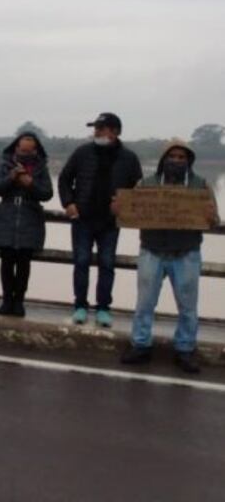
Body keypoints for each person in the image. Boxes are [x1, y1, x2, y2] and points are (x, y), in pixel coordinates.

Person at [118, 140, 219, 374]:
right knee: (144, 303)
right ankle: (140, 345)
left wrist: (211, 216)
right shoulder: (145, 184)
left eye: (181, 157)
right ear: (164, 160)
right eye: (172, 156)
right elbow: (129, 212)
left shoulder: (201, 185)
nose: (176, 161)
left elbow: (214, 222)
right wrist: (119, 209)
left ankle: (185, 348)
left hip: (187, 253)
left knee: (188, 306)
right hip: (152, 251)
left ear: (189, 161)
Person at [58, 112, 142, 327]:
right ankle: (80, 306)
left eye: (100, 128)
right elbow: (65, 179)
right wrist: (68, 203)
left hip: (110, 223)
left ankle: (104, 307)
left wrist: (124, 205)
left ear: (115, 132)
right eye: (95, 128)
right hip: (82, 219)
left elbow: (138, 190)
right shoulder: (82, 152)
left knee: (107, 264)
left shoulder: (129, 158)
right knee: (81, 262)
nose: (96, 132)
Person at [0, 132, 54, 317]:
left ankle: (19, 301)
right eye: (21, 149)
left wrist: (30, 183)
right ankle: (7, 299)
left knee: (24, 263)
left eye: (28, 150)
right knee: (6, 261)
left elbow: (47, 194)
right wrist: (11, 177)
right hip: (6, 217)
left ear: (35, 150)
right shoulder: (5, 164)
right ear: (15, 148)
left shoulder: (41, 168)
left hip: (30, 218)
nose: (24, 153)